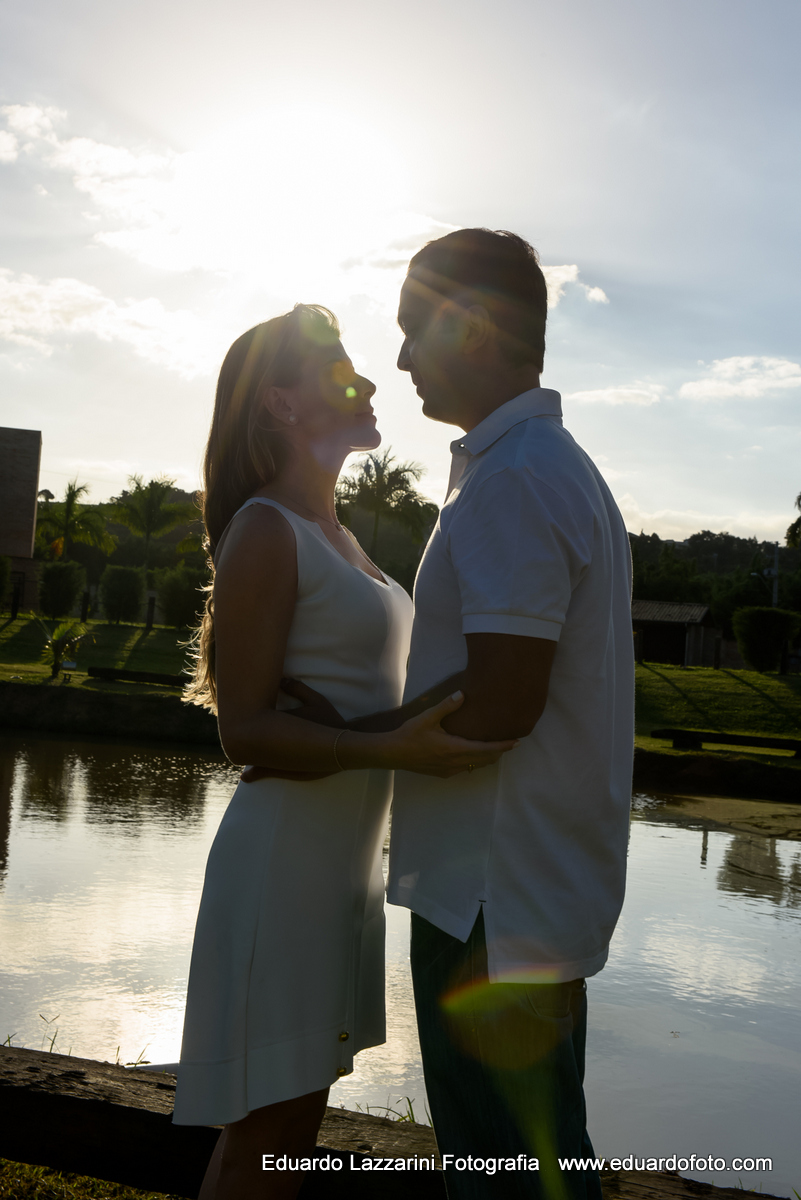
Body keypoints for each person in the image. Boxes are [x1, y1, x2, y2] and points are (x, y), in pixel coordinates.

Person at [171, 303, 515, 1200]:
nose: (366, 384)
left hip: (340, 870)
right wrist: (388, 744)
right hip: (283, 859)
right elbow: (241, 729)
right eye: (340, 373)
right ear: (280, 405)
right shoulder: (264, 529)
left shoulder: (343, 538)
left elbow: (371, 713)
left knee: (291, 1123)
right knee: (266, 1128)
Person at [385, 228, 635, 1200]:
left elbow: (499, 708)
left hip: (487, 900)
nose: (400, 356)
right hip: (523, 891)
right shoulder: (538, 465)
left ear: (478, 327)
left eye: (415, 328)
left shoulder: (518, 478)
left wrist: (338, 739)